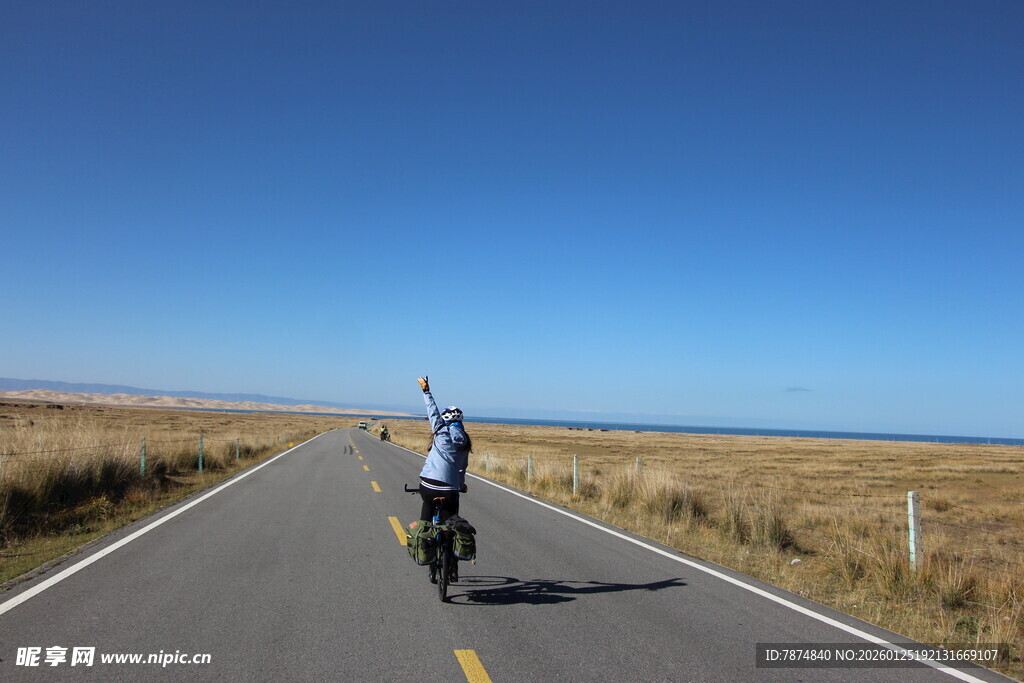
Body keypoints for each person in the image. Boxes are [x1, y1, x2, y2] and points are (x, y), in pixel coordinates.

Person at [416, 375, 472, 581]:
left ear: (446, 421)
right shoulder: (465, 442)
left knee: (426, 517)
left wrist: (426, 389)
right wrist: (461, 485)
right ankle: (453, 567)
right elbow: (461, 468)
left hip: (429, 486)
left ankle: (425, 541)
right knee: (452, 524)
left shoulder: (439, 432)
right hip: (450, 490)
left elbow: (432, 410)